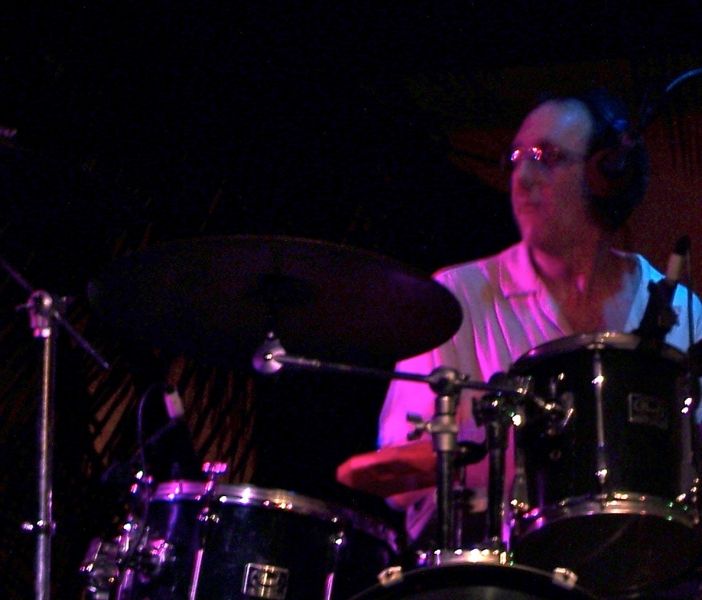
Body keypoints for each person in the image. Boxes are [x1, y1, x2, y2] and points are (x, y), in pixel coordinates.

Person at [377, 87, 702, 563]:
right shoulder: (454, 298)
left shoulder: (683, 313)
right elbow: (396, 476)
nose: (522, 177)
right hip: (496, 571)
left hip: (644, 566)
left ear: (607, 175)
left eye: (547, 158)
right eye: (516, 158)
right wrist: (521, 457)